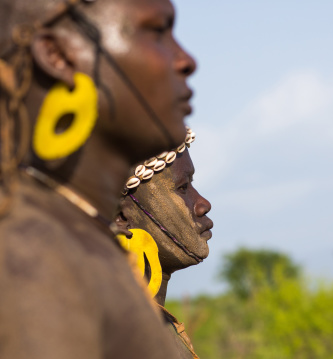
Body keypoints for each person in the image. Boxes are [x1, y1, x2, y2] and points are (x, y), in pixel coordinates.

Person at [0, 0, 197, 358]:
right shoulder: (29, 256)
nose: (186, 60)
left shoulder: (75, 238)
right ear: (58, 55)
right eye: (156, 30)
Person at [116, 129, 213, 359]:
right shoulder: (119, 338)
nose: (203, 204)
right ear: (121, 217)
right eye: (182, 188)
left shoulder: (152, 328)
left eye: (192, 184)